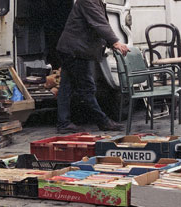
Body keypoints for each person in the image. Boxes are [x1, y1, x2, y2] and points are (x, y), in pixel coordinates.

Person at [56, 0, 130, 133]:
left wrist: (109, 42)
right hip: (76, 51)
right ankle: (103, 122)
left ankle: (63, 123)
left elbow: (98, 24)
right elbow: (99, 23)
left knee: (66, 87)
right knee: (87, 88)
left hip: (71, 49)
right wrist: (115, 42)